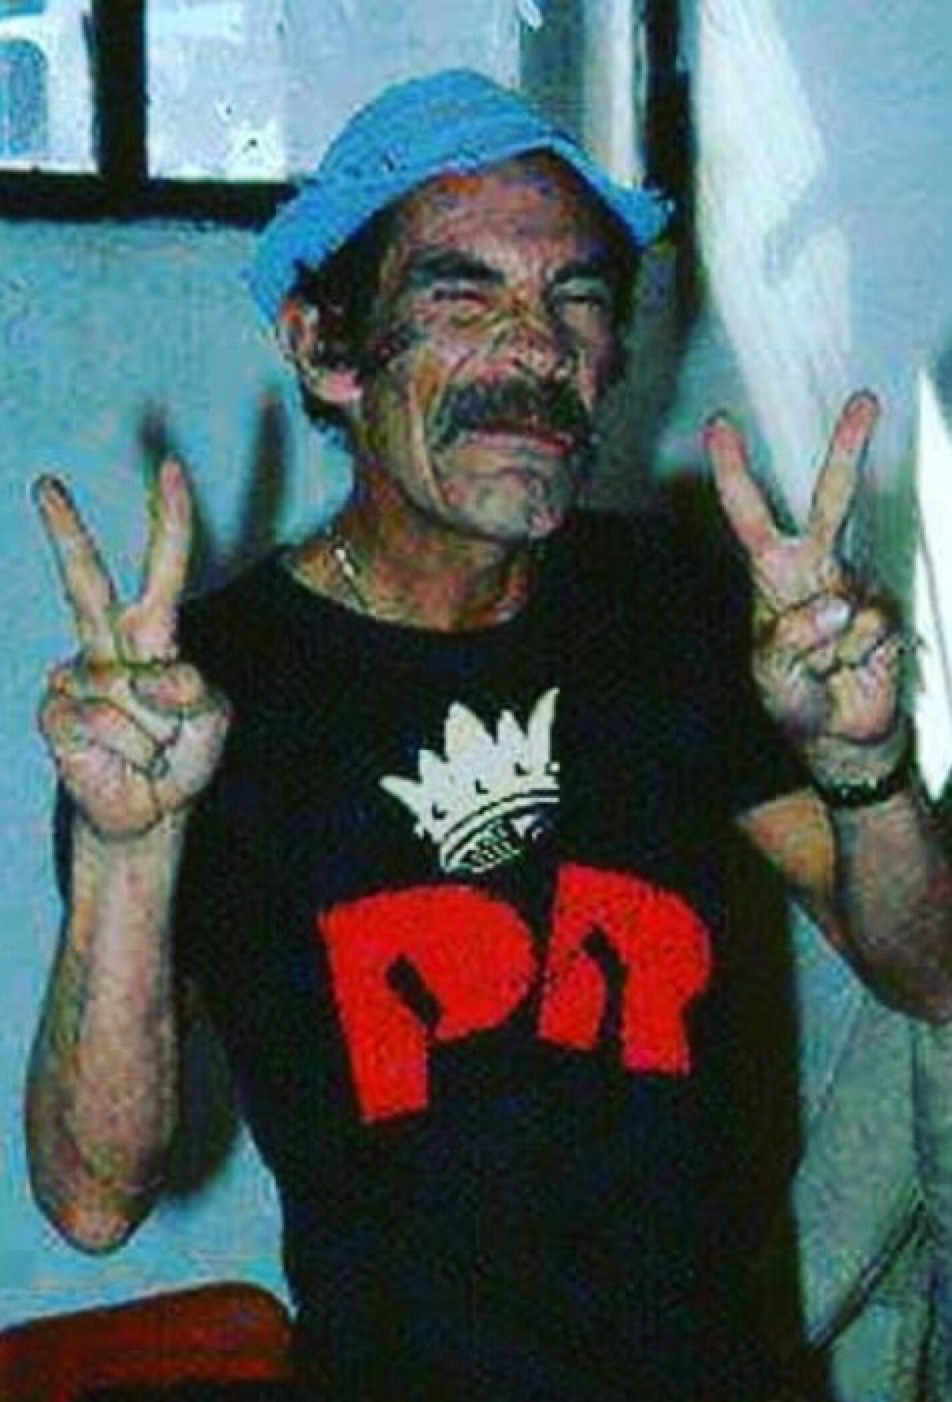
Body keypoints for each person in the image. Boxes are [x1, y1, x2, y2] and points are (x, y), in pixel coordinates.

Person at [26, 69, 952, 1402]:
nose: (535, 349)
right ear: (327, 350)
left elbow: (929, 972)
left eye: (576, 298)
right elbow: (93, 1195)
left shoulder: (672, 606)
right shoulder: (199, 698)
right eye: (462, 297)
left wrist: (863, 765)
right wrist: (129, 851)